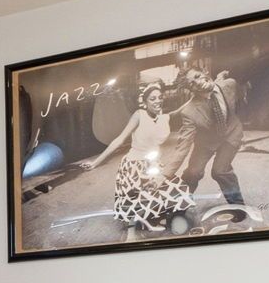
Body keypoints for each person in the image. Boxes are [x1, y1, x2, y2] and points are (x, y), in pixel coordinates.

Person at [79, 83, 192, 231]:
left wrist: (196, 97)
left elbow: (178, 111)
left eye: (160, 97)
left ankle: (156, 220)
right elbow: (119, 140)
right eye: (152, 98)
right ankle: (133, 232)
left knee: (177, 189)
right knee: (136, 198)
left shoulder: (164, 118)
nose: (158, 101)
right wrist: (96, 162)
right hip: (134, 164)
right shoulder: (139, 115)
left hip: (153, 164)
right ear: (145, 102)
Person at [169, 70, 258, 222]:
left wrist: (242, 93)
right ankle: (178, 208)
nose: (198, 82)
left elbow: (239, 92)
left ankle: (238, 207)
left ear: (204, 72)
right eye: (192, 83)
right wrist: (165, 174)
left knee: (220, 171)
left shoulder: (229, 85)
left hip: (230, 135)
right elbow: (183, 146)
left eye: (198, 76)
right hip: (206, 142)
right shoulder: (189, 111)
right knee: (193, 173)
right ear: (191, 90)